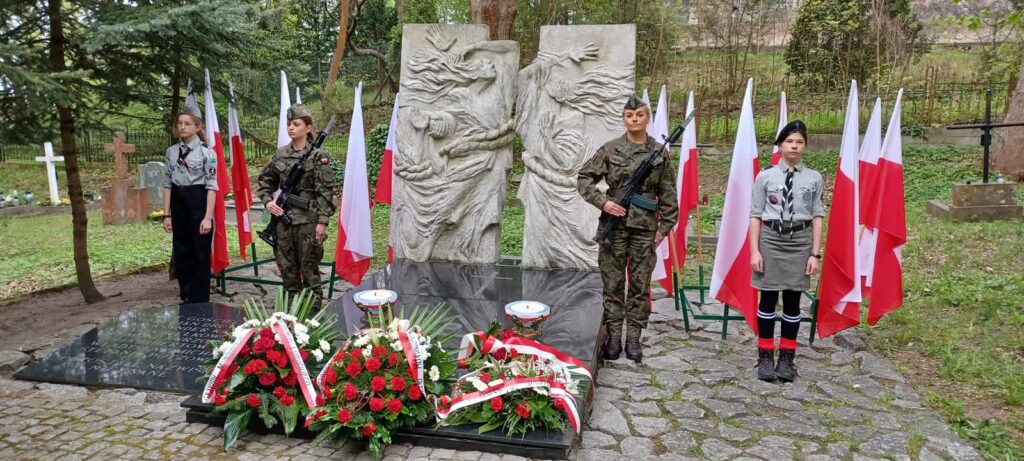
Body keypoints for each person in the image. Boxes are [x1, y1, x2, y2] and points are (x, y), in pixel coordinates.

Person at [577, 95, 679, 363]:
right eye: (629, 116)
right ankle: (613, 337)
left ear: (647, 119)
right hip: (615, 229)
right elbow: (585, 179)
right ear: (624, 119)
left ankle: (633, 338)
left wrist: (664, 227)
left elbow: (668, 193)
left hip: (645, 230)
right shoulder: (610, 150)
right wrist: (604, 203)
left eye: (639, 115)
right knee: (613, 284)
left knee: (639, 284)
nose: (634, 119)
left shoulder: (658, 153)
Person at [749, 120, 824, 382]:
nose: (794, 146)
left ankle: (787, 358)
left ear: (804, 146)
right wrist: (754, 251)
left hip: (800, 241)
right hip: (771, 240)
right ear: (780, 145)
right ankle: (766, 355)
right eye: (789, 141)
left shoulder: (814, 179)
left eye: (799, 142)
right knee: (767, 300)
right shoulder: (765, 177)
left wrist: (814, 253)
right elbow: (756, 215)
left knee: (793, 302)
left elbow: (817, 217)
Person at [256, 104, 336, 307]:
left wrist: (322, 223)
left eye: (296, 124)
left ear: (308, 128)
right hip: (283, 223)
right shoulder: (281, 154)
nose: (291, 128)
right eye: (288, 124)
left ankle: (313, 318)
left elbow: (325, 192)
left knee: (309, 272)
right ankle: (292, 316)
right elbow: (265, 182)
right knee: (287, 272)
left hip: (308, 223)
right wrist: (268, 202)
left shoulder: (319, 156)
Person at [162, 102, 218, 304]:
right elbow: (167, 184)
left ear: (197, 127)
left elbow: (212, 186)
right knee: (181, 251)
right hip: (178, 203)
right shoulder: (171, 152)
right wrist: (166, 214)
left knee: (199, 253)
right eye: (180, 123)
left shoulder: (207, 154)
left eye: (187, 124)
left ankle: (200, 299)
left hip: (198, 201)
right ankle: (185, 295)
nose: (182, 127)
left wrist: (208, 218)